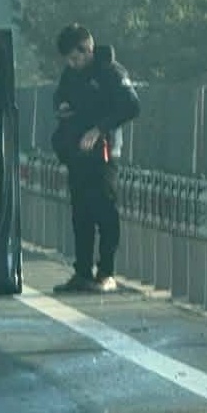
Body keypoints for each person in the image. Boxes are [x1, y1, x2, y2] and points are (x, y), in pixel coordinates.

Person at [50, 23, 140, 293]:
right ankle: (82, 272)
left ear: (87, 48)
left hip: (104, 152)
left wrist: (99, 128)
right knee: (81, 212)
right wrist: (61, 107)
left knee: (105, 210)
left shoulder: (110, 72)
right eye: (68, 60)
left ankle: (106, 272)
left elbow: (132, 106)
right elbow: (59, 96)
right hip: (77, 152)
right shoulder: (71, 74)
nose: (72, 64)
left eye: (75, 58)